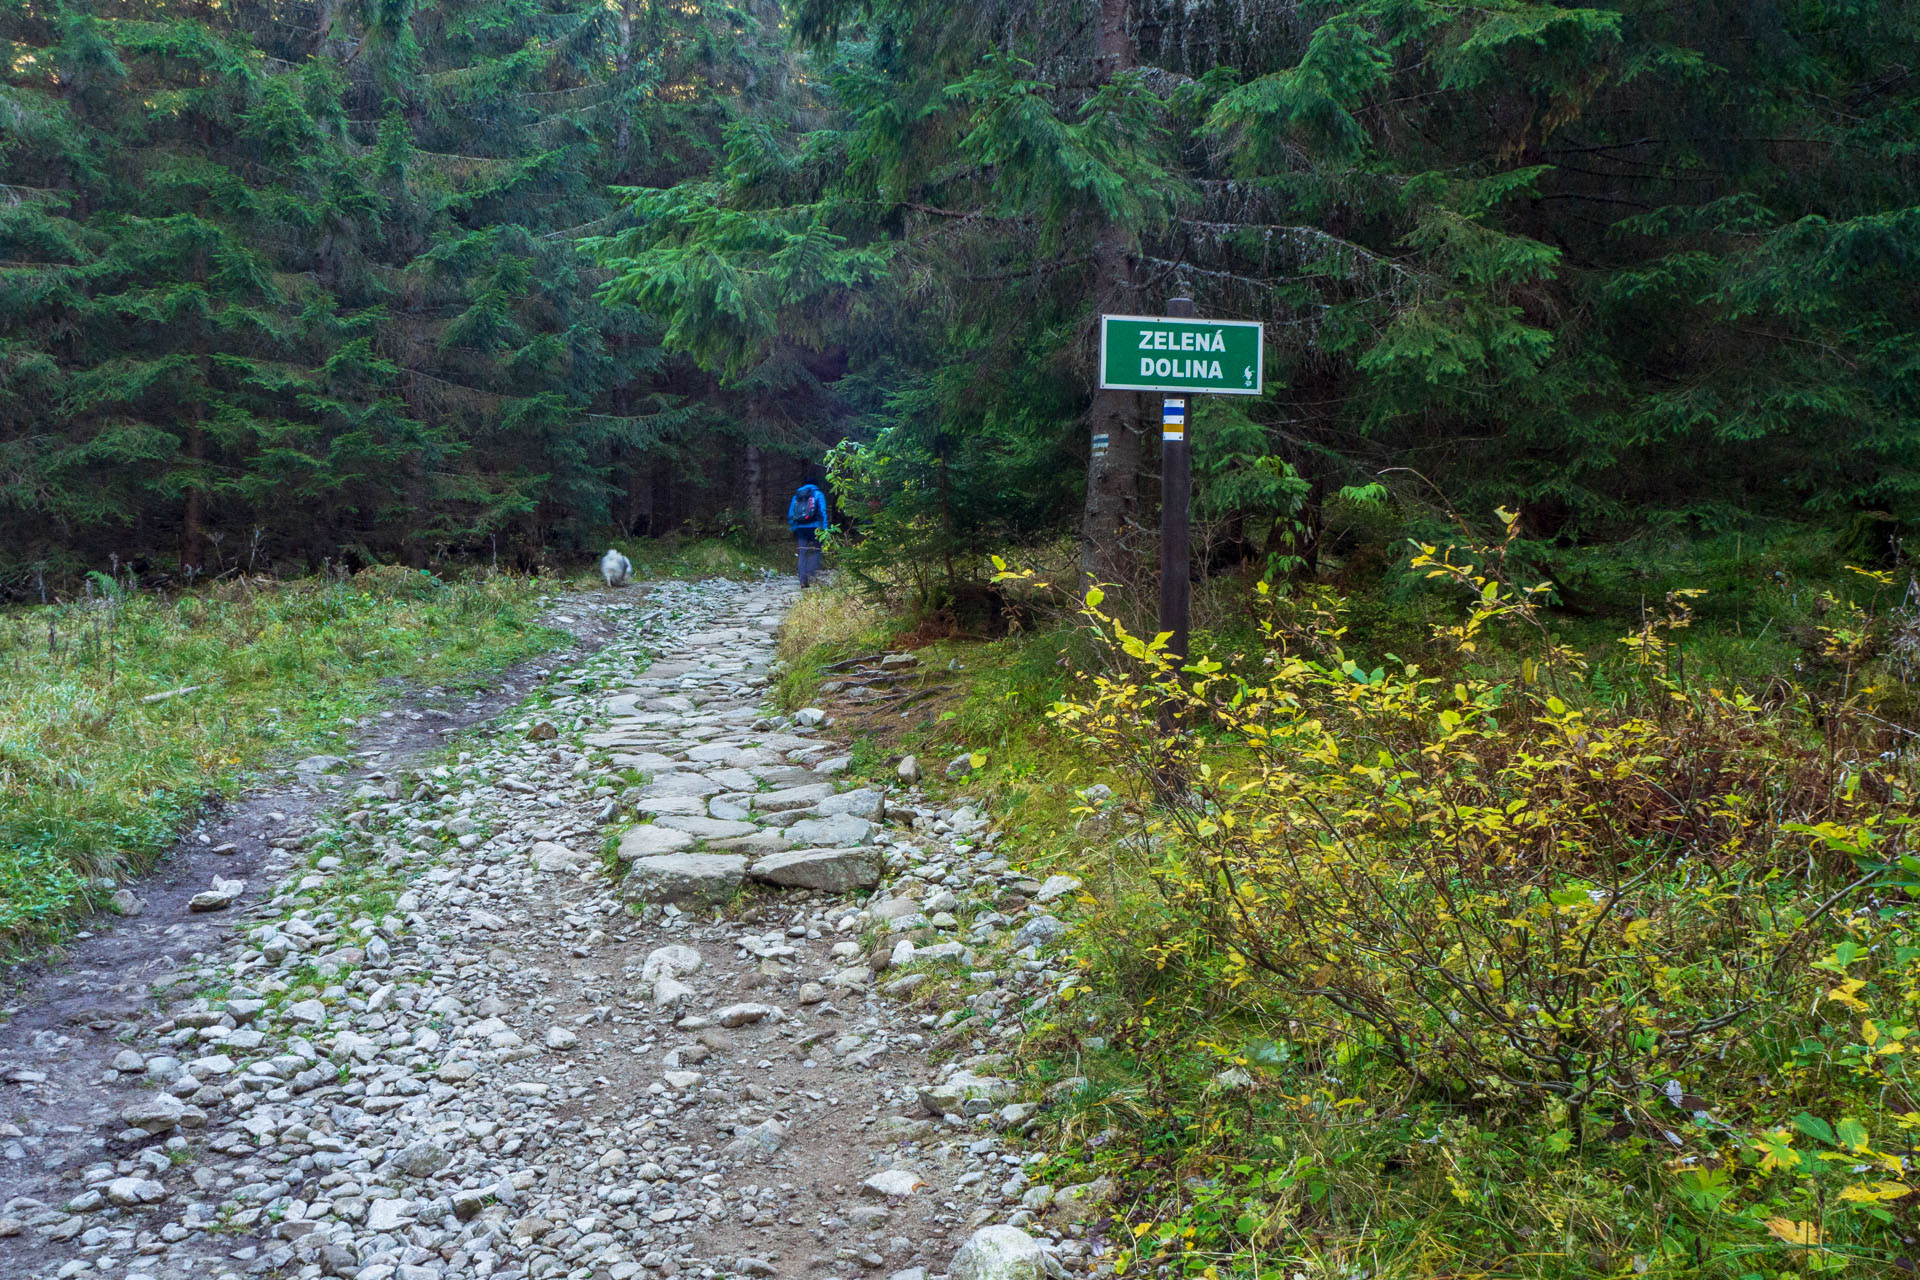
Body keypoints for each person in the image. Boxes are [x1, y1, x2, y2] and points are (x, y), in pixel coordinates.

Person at [787, 481, 828, 587]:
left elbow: (791, 513)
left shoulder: (797, 496)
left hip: (801, 528)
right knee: (817, 551)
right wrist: (825, 528)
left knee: (802, 553)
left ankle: (802, 580)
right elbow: (823, 512)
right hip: (815, 528)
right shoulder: (818, 494)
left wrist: (794, 527)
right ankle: (809, 572)